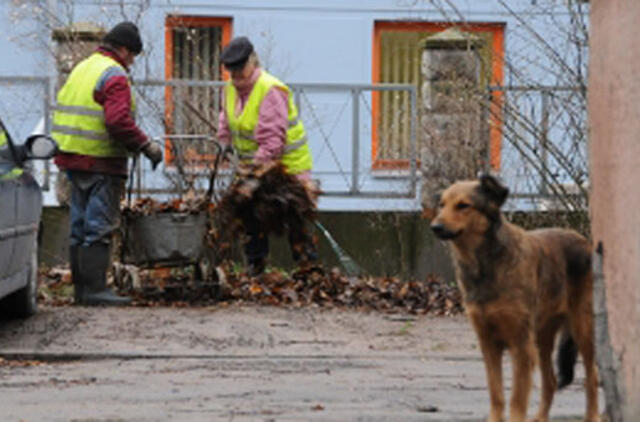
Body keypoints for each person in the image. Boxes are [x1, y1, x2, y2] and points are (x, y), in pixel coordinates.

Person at [52, 21, 163, 306]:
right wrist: (145, 145)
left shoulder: (83, 68)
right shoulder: (113, 75)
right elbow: (117, 121)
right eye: (133, 56)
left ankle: (82, 291)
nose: (132, 63)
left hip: (72, 159)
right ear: (124, 50)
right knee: (98, 226)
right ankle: (95, 291)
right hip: (100, 162)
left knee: (79, 225)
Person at [218, 36, 318, 276]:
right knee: (249, 214)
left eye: (240, 70)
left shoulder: (271, 89)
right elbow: (226, 122)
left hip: (288, 167)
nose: (236, 76)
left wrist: (252, 178)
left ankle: (309, 270)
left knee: (293, 218)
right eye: (232, 72)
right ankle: (256, 269)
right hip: (253, 165)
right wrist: (222, 145)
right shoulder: (230, 90)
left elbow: (272, 142)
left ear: (253, 62)